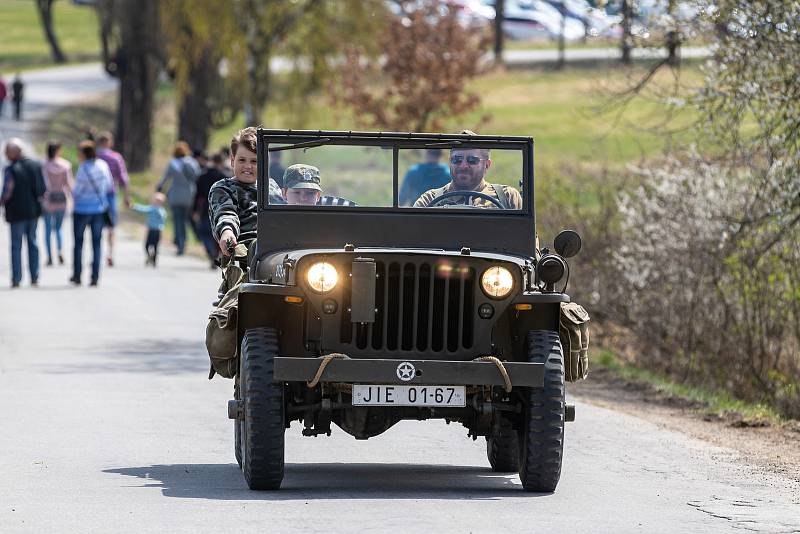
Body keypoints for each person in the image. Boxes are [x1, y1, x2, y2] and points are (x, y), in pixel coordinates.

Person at [414, 131, 522, 210]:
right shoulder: (430, 200)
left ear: (487, 165)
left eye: (472, 160)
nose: (463, 166)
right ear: (450, 162)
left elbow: (526, 238)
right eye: (457, 160)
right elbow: (409, 236)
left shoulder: (507, 197)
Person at [0, 138, 46, 288]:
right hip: (33, 211)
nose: (5, 155)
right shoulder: (36, 165)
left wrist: (2, 202)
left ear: (15, 152)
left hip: (16, 212)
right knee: (32, 242)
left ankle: (16, 278)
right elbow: (42, 188)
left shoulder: (11, 169)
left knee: (16, 245)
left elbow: (7, 191)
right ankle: (34, 276)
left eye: (7, 152)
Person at [209, 128, 259, 256]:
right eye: (242, 160)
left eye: (254, 161)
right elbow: (226, 212)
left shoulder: (271, 187)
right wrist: (227, 231)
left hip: (277, 251)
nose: (248, 166)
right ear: (232, 160)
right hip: (244, 254)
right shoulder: (223, 188)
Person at [70, 140, 113, 286]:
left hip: (81, 209)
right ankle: (95, 276)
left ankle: (77, 275)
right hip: (98, 210)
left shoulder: (83, 168)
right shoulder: (103, 165)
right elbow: (109, 185)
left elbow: (77, 191)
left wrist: (73, 194)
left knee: (78, 243)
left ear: (84, 154)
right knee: (96, 243)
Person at [157, 140, 200, 255]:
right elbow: (197, 176)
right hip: (189, 195)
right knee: (185, 220)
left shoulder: (173, 163)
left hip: (175, 194)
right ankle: (183, 242)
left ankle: (179, 244)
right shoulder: (191, 162)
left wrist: (160, 188)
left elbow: (165, 178)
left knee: (177, 220)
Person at [94, 132, 130, 267]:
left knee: (96, 226)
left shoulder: (94, 156)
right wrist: (127, 196)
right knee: (111, 226)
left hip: (96, 195)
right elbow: (123, 178)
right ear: (109, 143)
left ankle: (97, 253)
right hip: (111, 194)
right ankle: (110, 253)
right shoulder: (116, 157)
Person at [42, 141, 73, 266]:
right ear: (57, 151)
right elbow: (69, 184)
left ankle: (49, 256)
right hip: (61, 198)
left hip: (48, 199)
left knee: (48, 229)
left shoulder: (43, 166)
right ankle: (60, 250)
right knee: (59, 228)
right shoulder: (65, 165)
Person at [193, 153, 227, 267]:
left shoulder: (203, 175)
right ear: (221, 163)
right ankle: (216, 252)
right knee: (216, 233)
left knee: (204, 232)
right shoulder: (224, 177)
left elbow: (197, 195)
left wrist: (195, 209)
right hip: (220, 207)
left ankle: (210, 252)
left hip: (205, 207)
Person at [132, 192, 167, 267]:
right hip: (150, 230)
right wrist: (134, 206)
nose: (157, 202)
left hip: (157, 231)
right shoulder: (151, 208)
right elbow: (143, 209)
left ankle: (154, 260)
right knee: (147, 245)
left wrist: (157, 209)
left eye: (159, 201)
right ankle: (149, 256)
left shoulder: (161, 211)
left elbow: (163, 218)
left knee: (155, 246)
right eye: (156, 200)